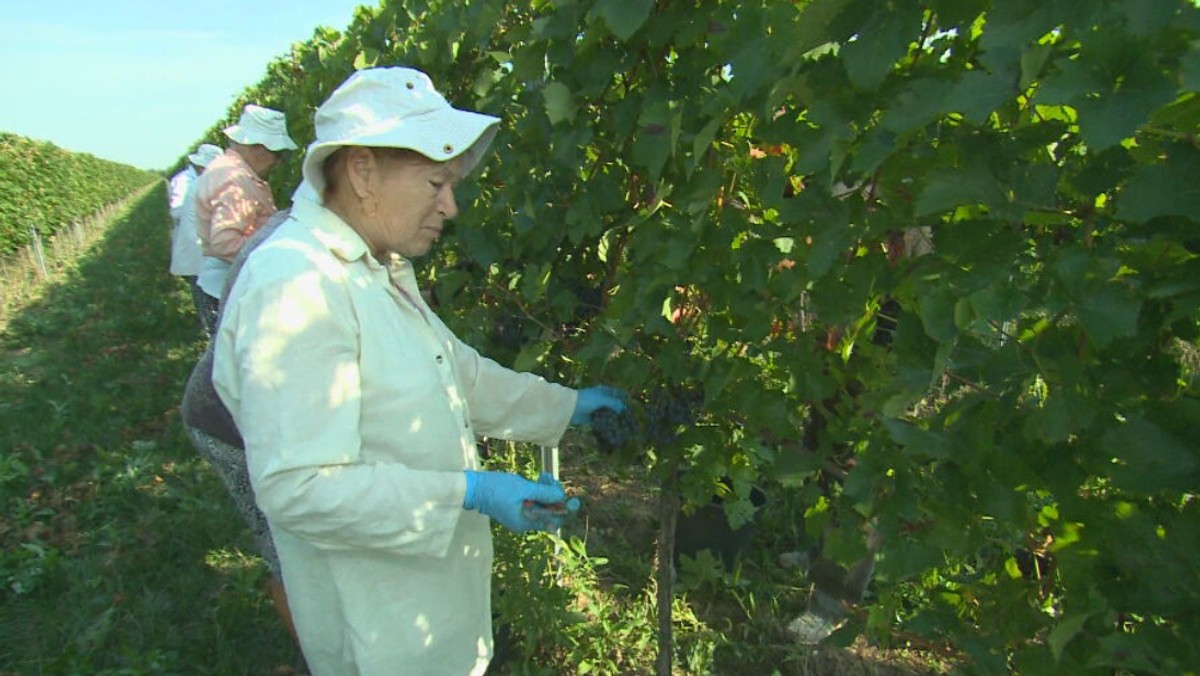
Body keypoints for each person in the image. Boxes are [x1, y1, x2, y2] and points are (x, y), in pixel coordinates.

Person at [211, 67, 627, 675]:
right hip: (377, 621)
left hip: (425, 601)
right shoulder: (296, 287)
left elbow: (459, 374)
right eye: (436, 182)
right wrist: (471, 490)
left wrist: (566, 407)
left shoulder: (375, 268)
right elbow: (299, 487)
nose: (450, 206)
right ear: (361, 170)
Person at [194, 104, 299, 335]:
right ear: (258, 148)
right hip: (226, 289)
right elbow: (225, 242)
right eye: (277, 153)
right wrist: (274, 255)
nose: (278, 161)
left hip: (223, 285)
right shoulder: (234, 179)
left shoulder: (228, 170)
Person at [169, 143, 222, 333]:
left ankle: (212, 331)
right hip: (195, 246)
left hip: (202, 246)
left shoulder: (205, 181)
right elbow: (175, 211)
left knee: (209, 290)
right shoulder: (185, 181)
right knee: (203, 289)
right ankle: (210, 335)